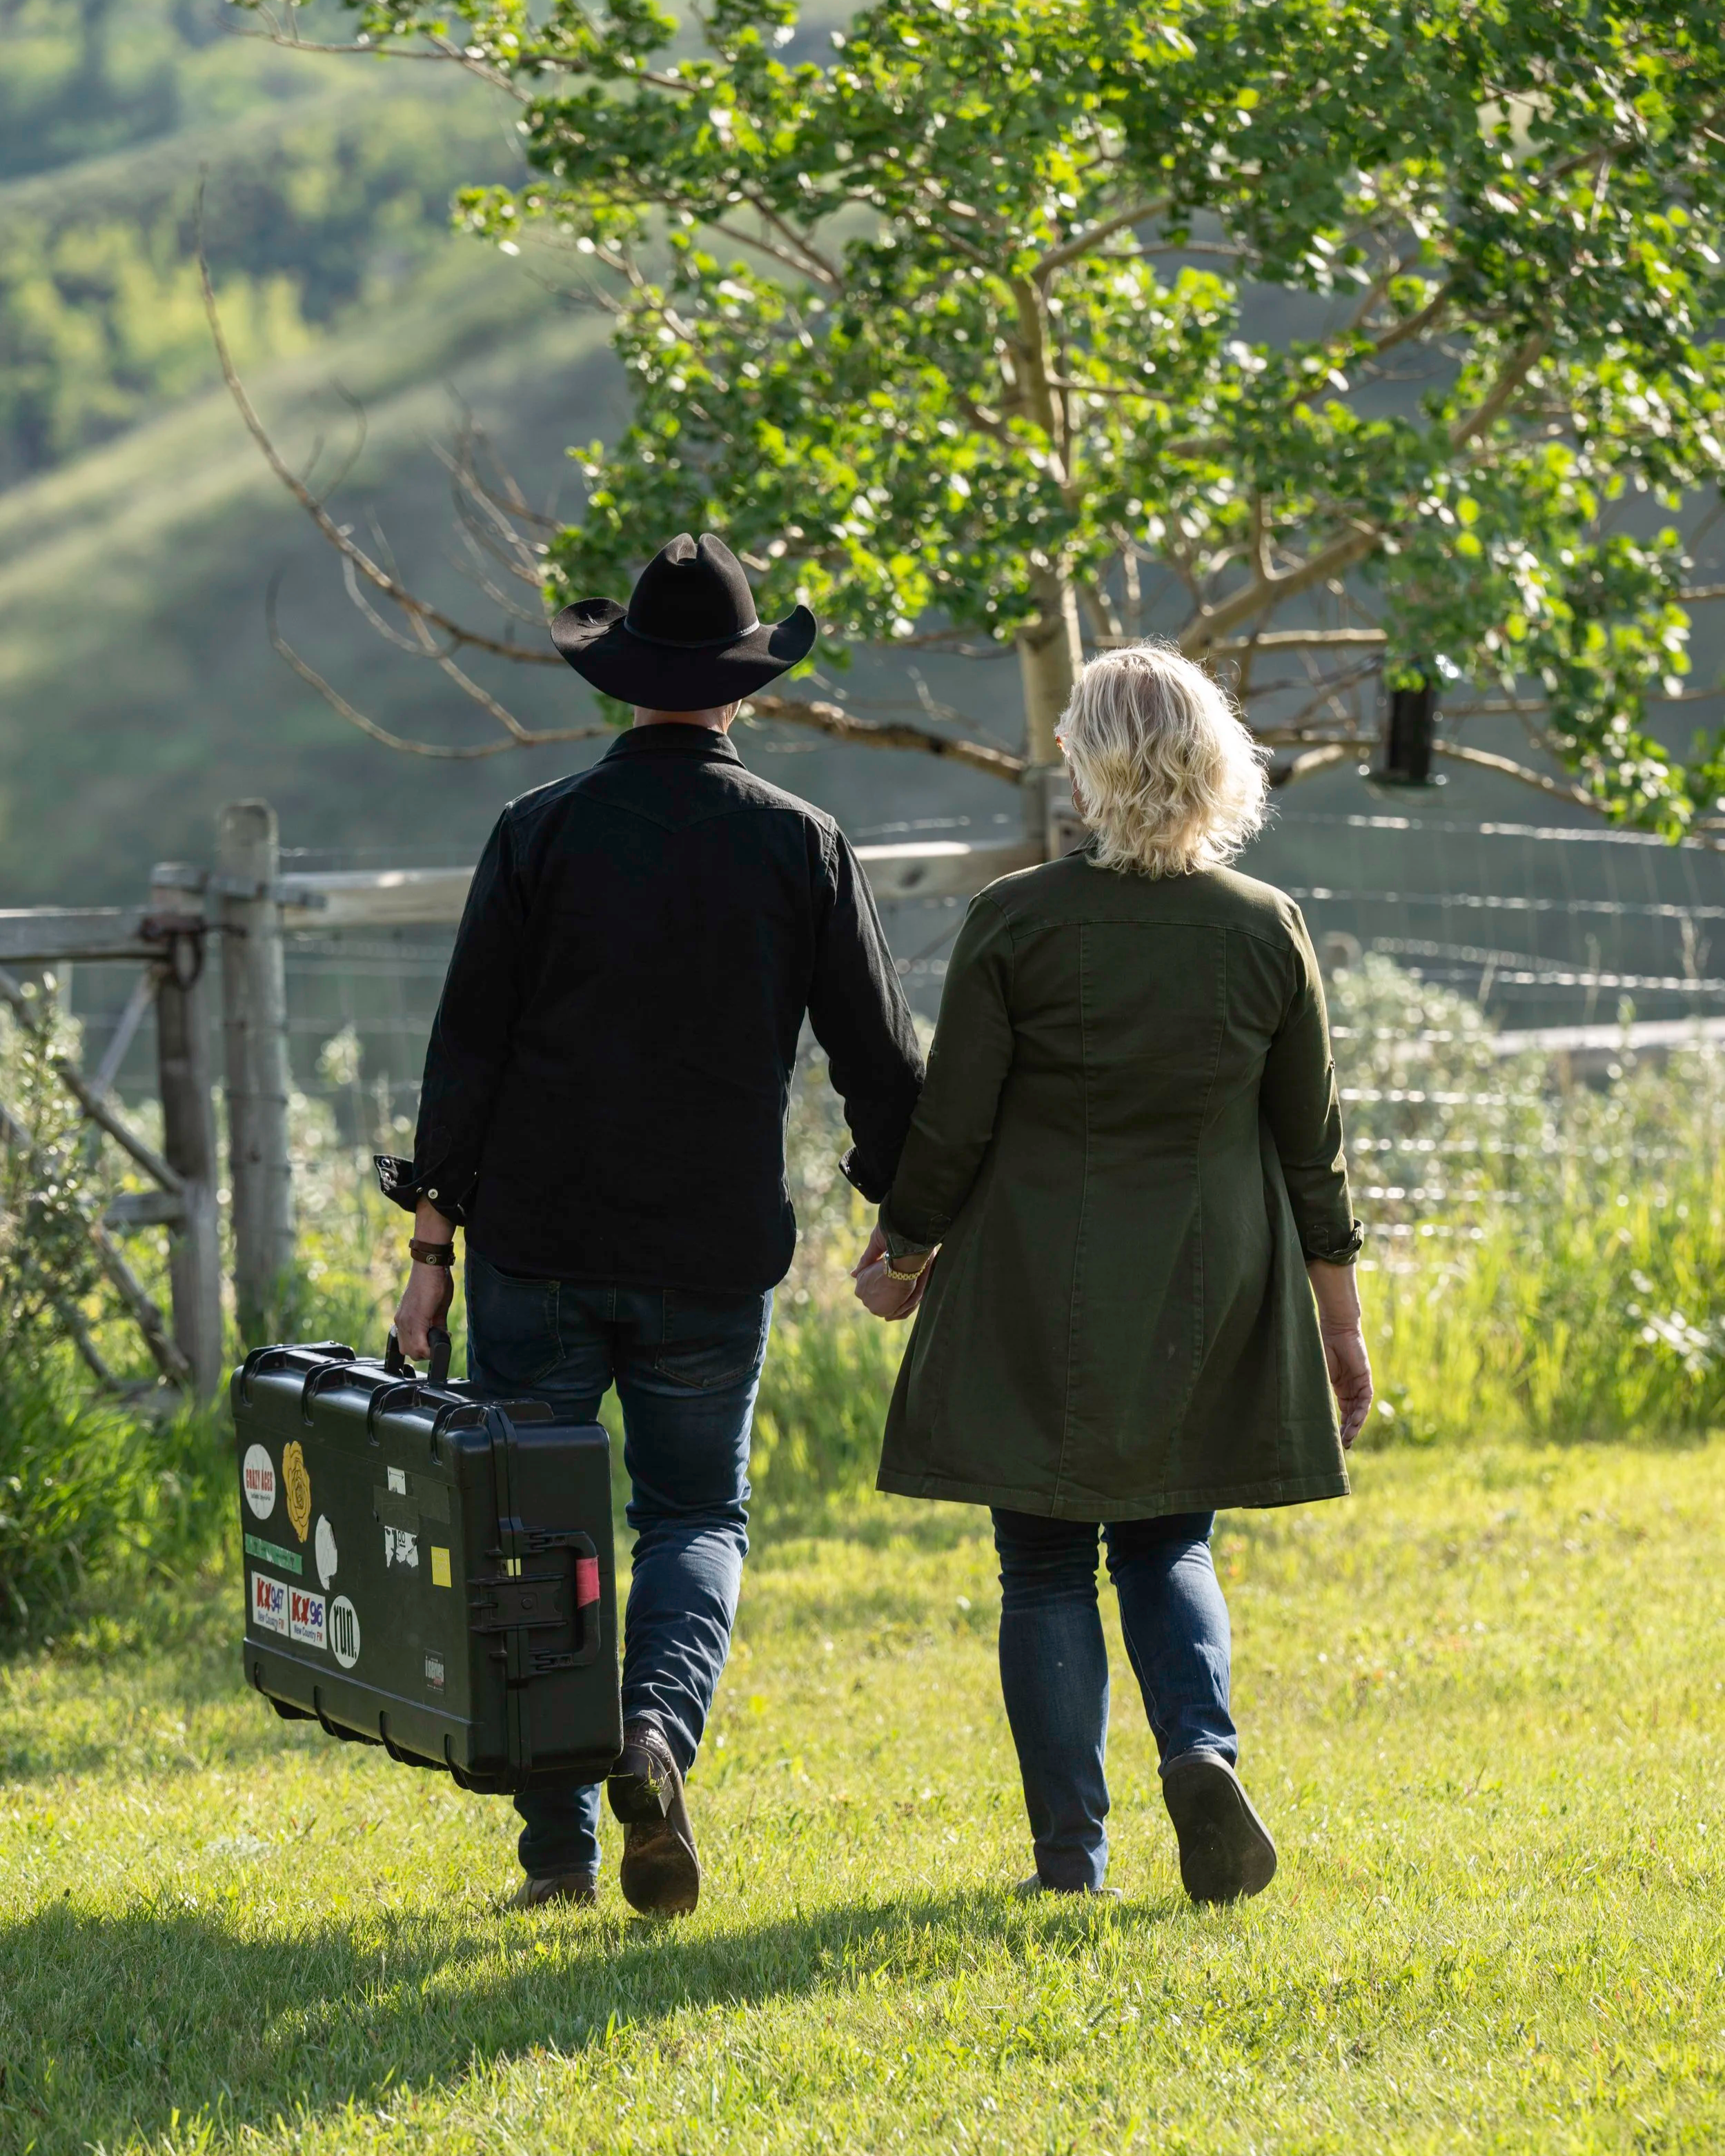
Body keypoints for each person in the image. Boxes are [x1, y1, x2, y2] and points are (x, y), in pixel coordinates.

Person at [384, 532, 923, 1917]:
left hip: (535, 1249)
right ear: (743, 689)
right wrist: (902, 1219)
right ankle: (654, 1737)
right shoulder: (800, 842)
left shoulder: (539, 829)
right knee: (691, 1510)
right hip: (707, 1253)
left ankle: (558, 1854)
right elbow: (878, 1061)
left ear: (623, 683)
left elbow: (468, 1059)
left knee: (530, 1533)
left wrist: (430, 1251)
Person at [852, 641, 1372, 1906]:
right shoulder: (1267, 930)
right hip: (1212, 1287)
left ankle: (1068, 1861)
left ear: (1087, 765)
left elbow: (954, 1122)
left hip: (1034, 1282)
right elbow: (1314, 1147)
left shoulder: (1016, 922)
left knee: (1041, 1566)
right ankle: (1199, 1752)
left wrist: (901, 1250)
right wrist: (1341, 1323)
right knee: (1167, 1541)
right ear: (1215, 765)